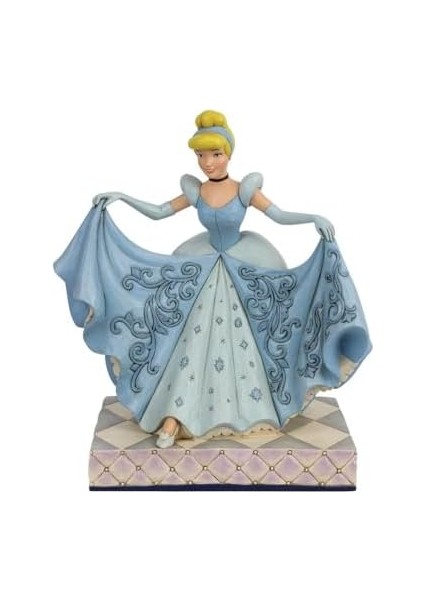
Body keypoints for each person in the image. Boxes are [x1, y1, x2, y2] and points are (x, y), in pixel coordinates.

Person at [55, 110, 371, 449]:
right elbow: (160, 212)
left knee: (256, 336)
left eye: (215, 154)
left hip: (243, 264)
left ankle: (250, 409)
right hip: (203, 265)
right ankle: (174, 415)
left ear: (228, 154)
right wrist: (121, 197)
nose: (208, 163)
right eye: (201, 155)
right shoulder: (198, 191)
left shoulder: (244, 189)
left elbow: (278, 215)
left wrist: (314, 218)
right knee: (186, 338)